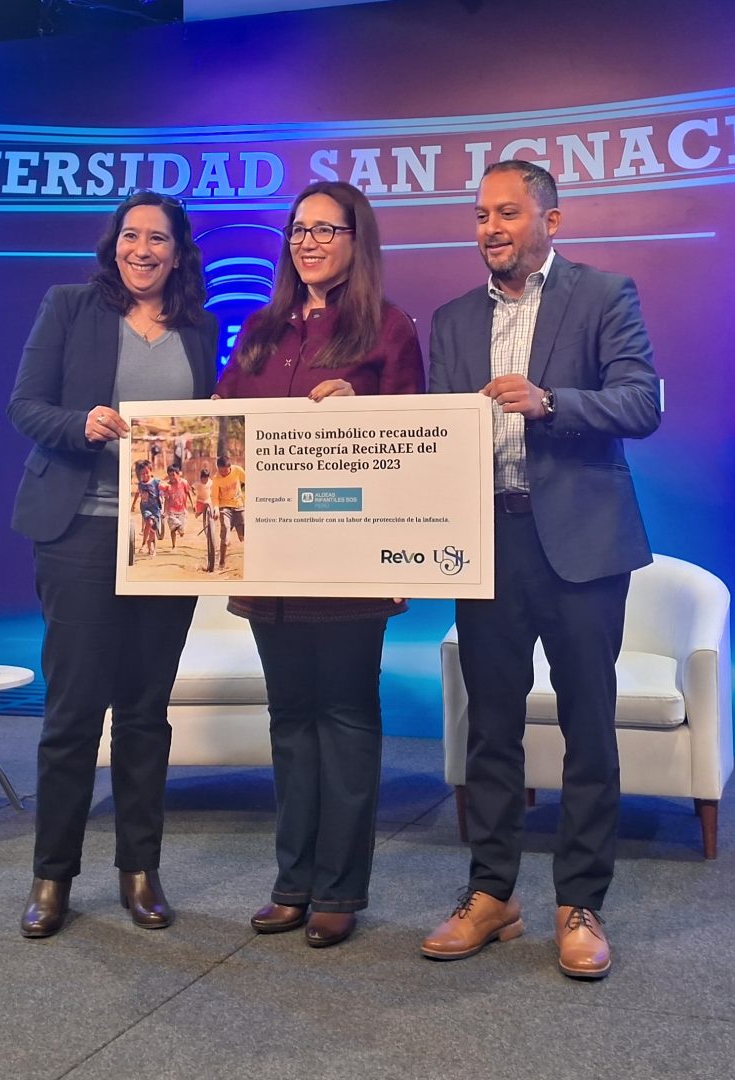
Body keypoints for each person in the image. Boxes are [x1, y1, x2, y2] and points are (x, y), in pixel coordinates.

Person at [422, 160, 661, 978]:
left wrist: (550, 400)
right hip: (485, 545)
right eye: (481, 215)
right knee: (489, 726)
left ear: (549, 222)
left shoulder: (603, 295)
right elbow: (433, 433)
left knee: (588, 727)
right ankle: (492, 894)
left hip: (582, 547)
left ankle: (578, 903)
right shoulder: (451, 319)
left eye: (508, 213)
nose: (490, 228)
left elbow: (641, 403)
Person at [215, 180, 425, 948]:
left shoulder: (387, 329)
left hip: (347, 567)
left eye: (324, 230)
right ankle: (291, 883)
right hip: (270, 566)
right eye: (298, 229)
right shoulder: (261, 330)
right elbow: (223, 422)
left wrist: (361, 415)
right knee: (289, 720)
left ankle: (340, 889)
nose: (307, 241)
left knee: (343, 719)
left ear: (354, 239)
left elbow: (413, 445)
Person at [8, 190, 218, 938]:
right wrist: (80, 423)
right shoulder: (69, 305)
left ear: (177, 251)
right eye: (130, 236)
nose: (141, 250)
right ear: (114, 243)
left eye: (157, 239)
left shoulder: (200, 327)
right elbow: (25, 404)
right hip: (80, 534)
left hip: (166, 545)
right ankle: (51, 876)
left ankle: (140, 870)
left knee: (143, 713)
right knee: (71, 714)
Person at [210, 454, 245, 570]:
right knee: (225, 536)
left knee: (243, 534)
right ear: (218, 469)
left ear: (230, 467)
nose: (223, 473)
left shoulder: (237, 470)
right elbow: (214, 497)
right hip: (225, 507)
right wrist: (215, 508)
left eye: (225, 471)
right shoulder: (216, 479)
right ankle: (221, 562)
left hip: (239, 505)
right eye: (221, 471)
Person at [131, 459, 163, 556]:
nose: (145, 476)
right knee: (149, 522)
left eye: (146, 473)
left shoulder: (156, 482)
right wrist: (133, 504)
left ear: (151, 471)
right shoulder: (141, 484)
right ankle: (144, 543)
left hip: (156, 508)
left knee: (153, 528)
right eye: (142, 474)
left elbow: (163, 489)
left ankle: (150, 543)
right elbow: (137, 493)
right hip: (145, 507)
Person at [160, 464, 195, 549]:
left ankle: (181, 530)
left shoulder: (184, 483)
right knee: (173, 528)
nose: (172, 477)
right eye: (169, 475)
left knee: (181, 530)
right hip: (171, 510)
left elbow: (188, 493)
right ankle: (174, 545)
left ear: (178, 474)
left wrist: (193, 504)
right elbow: (167, 500)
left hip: (182, 510)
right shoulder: (168, 486)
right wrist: (165, 512)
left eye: (173, 475)